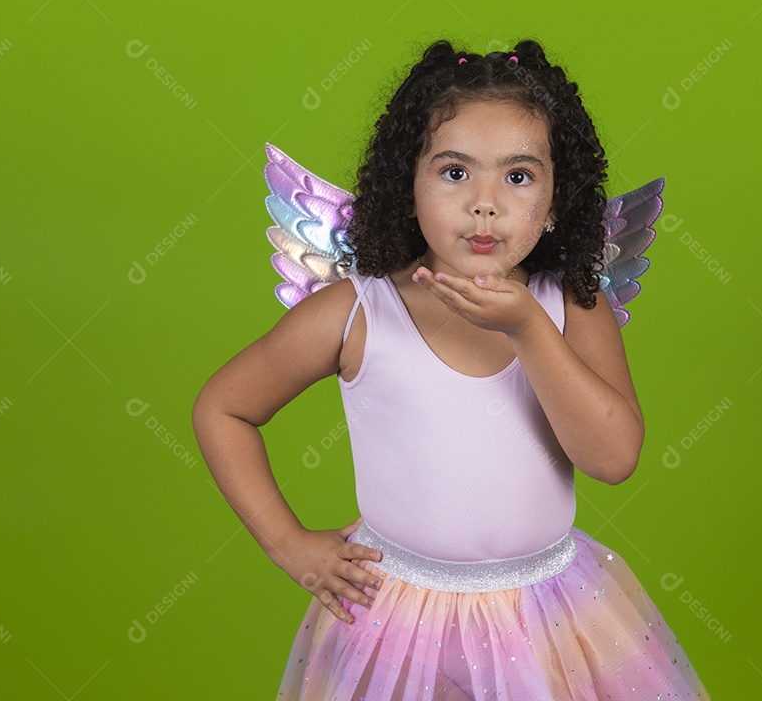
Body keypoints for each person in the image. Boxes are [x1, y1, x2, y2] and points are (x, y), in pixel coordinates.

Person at [192, 38, 708, 700]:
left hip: (549, 617)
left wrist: (528, 328)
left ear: (555, 201)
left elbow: (613, 459)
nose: (484, 203)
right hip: (396, 621)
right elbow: (224, 408)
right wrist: (287, 542)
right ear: (408, 183)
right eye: (455, 172)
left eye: (517, 176)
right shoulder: (357, 312)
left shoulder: (573, 304)